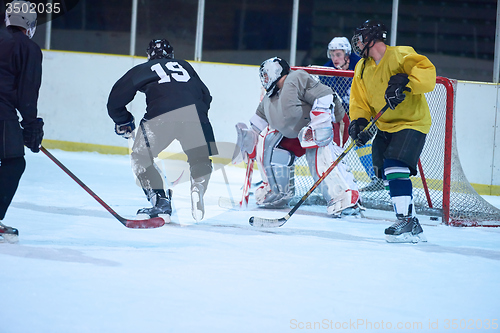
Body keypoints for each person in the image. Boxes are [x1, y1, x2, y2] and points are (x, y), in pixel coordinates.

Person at [235, 57, 360, 217]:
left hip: (330, 125)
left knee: (318, 155)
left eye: (266, 75)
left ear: (276, 72)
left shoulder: (296, 78)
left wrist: (319, 123)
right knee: (271, 145)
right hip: (301, 133)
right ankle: (278, 192)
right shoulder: (269, 97)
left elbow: (326, 96)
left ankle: (344, 195)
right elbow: (258, 123)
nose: (264, 79)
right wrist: (248, 140)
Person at [107, 39, 217, 222]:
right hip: (197, 115)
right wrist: (198, 116)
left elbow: (115, 100)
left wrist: (124, 119)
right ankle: (198, 187)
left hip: (162, 116)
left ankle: (160, 201)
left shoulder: (144, 68)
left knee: (140, 157)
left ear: (149, 55)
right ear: (171, 55)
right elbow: (206, 95)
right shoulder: (185, 66)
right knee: (200, 158)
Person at [348, 19, 436, 243]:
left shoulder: (400, 55)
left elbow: (427, 73)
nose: (357, 43)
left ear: (371, 38)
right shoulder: (361, 67)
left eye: (359, 38)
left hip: (412, 122)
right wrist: (359, 122)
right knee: (387, 174)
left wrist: (406, 82)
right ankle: (413, 225)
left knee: (394, 164)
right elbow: (360, 101)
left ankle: (404, 219)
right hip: (385, 125)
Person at [0, 0, 44, 243]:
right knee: (13, 162)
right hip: (2, 112)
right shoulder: (28, 48)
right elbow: (27, 93)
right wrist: (31, 127)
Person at [324, 37, 382, 192]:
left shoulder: (361, 65)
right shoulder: (327, 70)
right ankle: (340, 179)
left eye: (338, 54)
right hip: (342, 113)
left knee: (367, 142)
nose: (334, 58)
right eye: (332, 54)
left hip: (367, 110)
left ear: (347, 54)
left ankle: (380, 178)